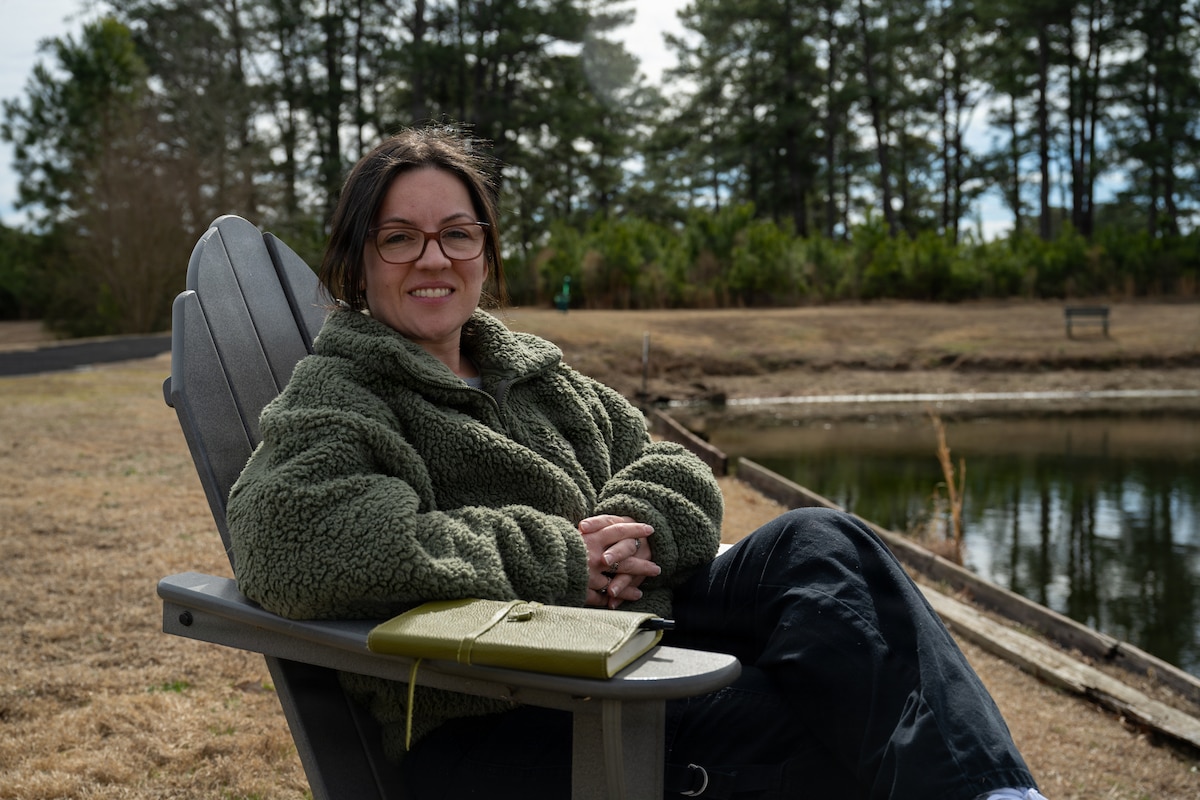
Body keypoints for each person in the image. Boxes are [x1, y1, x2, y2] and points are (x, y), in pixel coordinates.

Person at [226, 123, 1046, 799]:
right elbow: (291, 531)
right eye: (399, 238)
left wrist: (639, 531)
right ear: (358, 259)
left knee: (819, 541)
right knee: (819, 718)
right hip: (504, 717)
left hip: (631, 643)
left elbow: (668, 463)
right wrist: (557, 560)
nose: (433, 259)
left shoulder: (531, 372)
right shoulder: (343, 391)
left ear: (485, 250)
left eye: (457, 234)